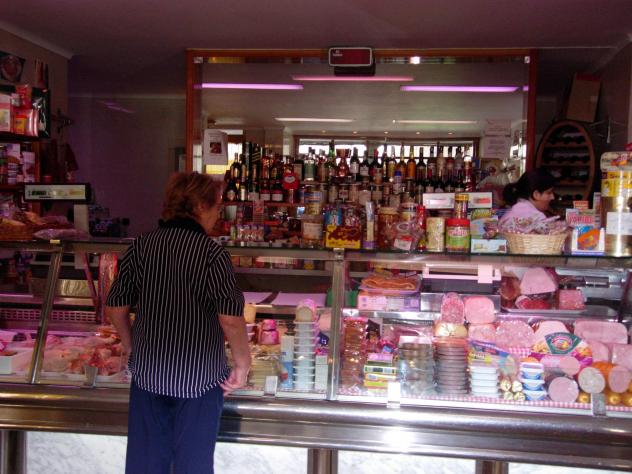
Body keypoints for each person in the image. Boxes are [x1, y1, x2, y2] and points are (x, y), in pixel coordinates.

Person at [105, 172, 251, 474]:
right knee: (193, 466)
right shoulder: (212, 254)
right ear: (199, 206)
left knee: (145, 466)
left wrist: (130, 347)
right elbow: (230, 319)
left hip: (148, 374)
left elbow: (116, 306)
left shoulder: (141, 246)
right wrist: (242, 365)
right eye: (216, 207)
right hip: (199, 379)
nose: (217, 215)